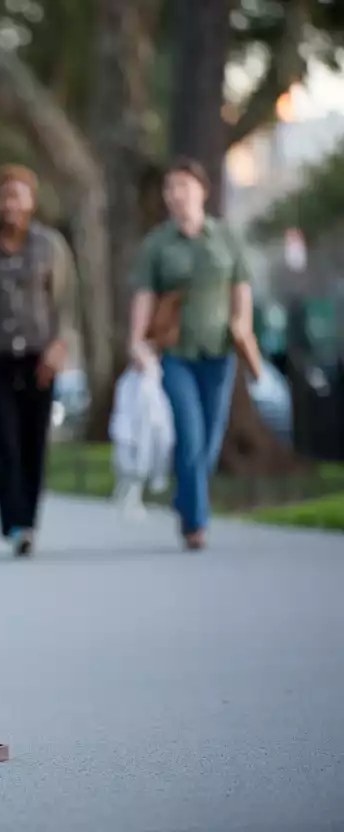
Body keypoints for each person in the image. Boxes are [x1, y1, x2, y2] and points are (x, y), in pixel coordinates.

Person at [127, 156, 254, 551]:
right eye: (169, 188)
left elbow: (241, 285)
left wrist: (242, 323)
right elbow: (144, 296)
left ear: (202, 191)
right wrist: (136, 341)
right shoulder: (157, 245)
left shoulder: (225, 237)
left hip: (218, 352)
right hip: (175, 352)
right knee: (189, 431)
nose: (175, 195)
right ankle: (195, 523)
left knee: (210, 441)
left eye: (183, 186)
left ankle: (186, 498)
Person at [0, 165, 76, 556]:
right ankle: (13, 521)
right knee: (5, 439)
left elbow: (67, 303)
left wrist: (61, 346)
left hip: (40, 357)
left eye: (19, 195)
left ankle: (30, 523)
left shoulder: (50, 246)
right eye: (5, 196)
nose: (11, 204)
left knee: (34, 440)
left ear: (31, 201)